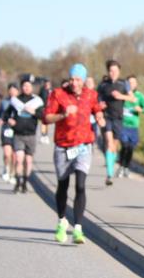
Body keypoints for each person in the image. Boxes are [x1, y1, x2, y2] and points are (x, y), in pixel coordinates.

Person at [43, 63, 105, 245]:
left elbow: (97, 110)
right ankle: (62, 220)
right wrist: (62, 114)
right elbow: (46, 117)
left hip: (83, 145)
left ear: (84, 80)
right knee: (63, 185)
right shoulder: (58, 94)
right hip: (63, 146)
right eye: (72, 79)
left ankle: (78, 228)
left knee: (80, 184)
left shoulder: (91, 94)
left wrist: (100, 118)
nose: (74, 82)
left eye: (78, 79)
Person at [98, 61, 135, 187]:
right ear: (108, 72)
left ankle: (111, 165)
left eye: (115, 71)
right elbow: (97, 99)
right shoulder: (103, 85)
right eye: (110, 71)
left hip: (119, 118)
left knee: (114, 146)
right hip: (107, 117)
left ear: (119, 71)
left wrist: (121, 96)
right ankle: (109, 174)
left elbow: (132, 98)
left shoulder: (123, 83)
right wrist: (100, 105)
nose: (113, 73)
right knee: (109, 143)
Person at [4, 79, 45, 193]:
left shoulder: (37, 101)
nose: (26, 88)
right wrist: (9, 120)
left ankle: (25, 182)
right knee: (19, 158)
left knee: (28, 161)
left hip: (31, 135)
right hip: (18, 134)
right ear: (21, 87)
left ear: (32, 88)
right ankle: (18, 182)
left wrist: (34, 112)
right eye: (24, 86)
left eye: (28, 86)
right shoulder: (15, 101)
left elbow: (43, 115)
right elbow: (6, 114)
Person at [118, 75, 144, 177]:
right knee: (124, 145)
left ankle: (126, 167)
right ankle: (121, 166)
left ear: (136, 84)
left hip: (134, 126)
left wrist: (140, 109)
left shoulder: (140, 96)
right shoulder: (122, 95)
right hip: (123, 125)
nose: (131, 84)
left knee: (131, 148)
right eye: (129, 83)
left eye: (133, 82)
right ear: (126, 84)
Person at [0, 83, 20, 182]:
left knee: (14, 155)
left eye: (14, 90)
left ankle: (13, 173)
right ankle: (6, 168)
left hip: (18, 130)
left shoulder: (21, 102)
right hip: (6, 129)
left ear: (18, 91)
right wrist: (0, 120)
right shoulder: (4, 102)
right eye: (10, 90)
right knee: (7, 153)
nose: (12, 92)